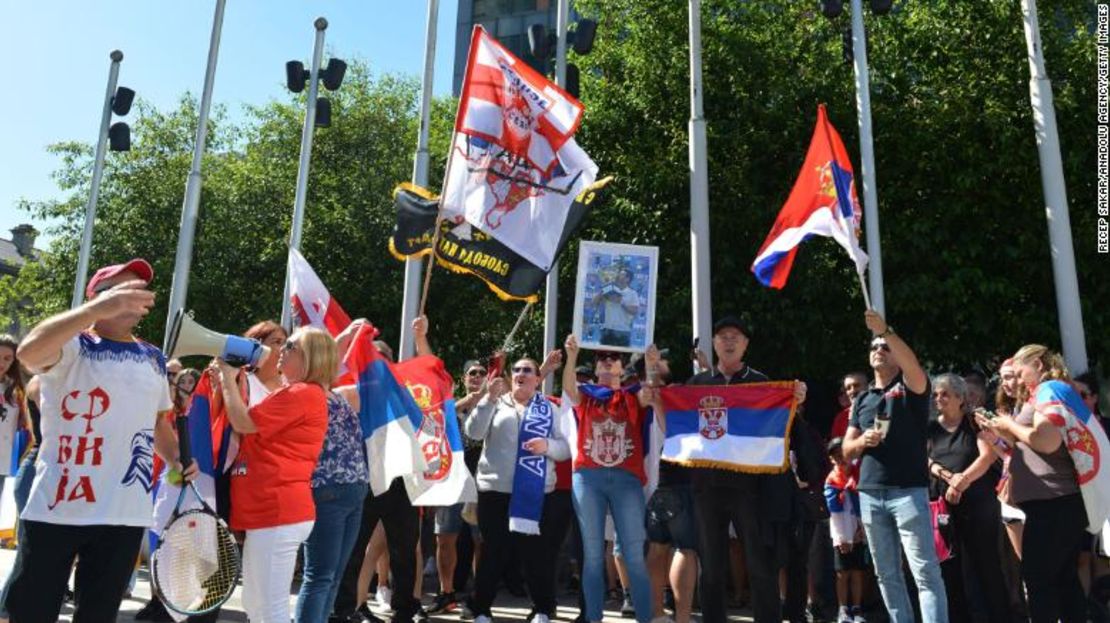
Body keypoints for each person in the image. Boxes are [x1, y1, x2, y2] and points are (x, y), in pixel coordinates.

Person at [5, 258, 194, 622]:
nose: (133, 296)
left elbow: (156, 424)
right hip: (58, 509)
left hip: (124, 514)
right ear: (98, 297)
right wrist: (97, 309)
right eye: (123, 289)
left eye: (138, 289)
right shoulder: (74, 345)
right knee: (31, 612)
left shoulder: (154, 358)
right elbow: (28, 353)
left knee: (98, 616)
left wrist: (176, 459)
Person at [680, 315, 810, 623]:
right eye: (722, 336)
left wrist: (794, 400)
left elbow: (781, 427)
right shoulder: (697, 384)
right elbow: (680, 429)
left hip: (750, 487)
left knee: (759, 561)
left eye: (735, 336)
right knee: (711, 564)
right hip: (707, 485)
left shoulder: (761, 382)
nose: (728, 341)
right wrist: (658, 400)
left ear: (745, 344)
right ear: (713, 343)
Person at [215, 326, 336, 623]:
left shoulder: (301, 393)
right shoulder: (302, 393)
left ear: (310, 358)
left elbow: (243, 423)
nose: (282, 351)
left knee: (267, 609)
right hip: (275, 509)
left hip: (277, 509)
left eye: (291, 346)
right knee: (258, 605)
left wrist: (228, 381)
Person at [841, 310, 947, 623]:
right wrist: (862, 443)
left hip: (908, 492)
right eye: (874, 347)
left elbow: (912, 363)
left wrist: (885, 331)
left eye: (885, 348)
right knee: (886, 574)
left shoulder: (911, 387)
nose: (879, 350)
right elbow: (846, 449)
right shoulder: (861, 400)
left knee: (925, 571)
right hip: (870, 494)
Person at [976, 344, 1092, 623]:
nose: (1014, 379)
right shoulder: (1046, 393)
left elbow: (1046, 440)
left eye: (1019, 372)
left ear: (1038, 365)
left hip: (1055, 503)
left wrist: (1008, 426)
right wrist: (1001, 430)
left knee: (1039, 580)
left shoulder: (1048, 391)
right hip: (1055, 503)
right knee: (1064, 581)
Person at [464, 356, 571, 623]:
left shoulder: (550, 409)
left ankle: (543, 609)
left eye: (528, 370)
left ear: (538, 378)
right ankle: (481, 609)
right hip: (495, 490)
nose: (521, 374)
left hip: (536, 492)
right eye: (517, 370)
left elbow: (566, 448)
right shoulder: (495, 403)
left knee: (536, 553)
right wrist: (487, 399)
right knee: (493, 551)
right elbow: (473, 433)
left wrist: (548, 446)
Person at [562, 338, 656, 623]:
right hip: (588, 479)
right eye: (602, 357)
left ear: (620, 367)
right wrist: (571, 356)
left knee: (635, 556)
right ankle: (592, 619)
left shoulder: (632, 395)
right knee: (591, 557)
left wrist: (650, 366)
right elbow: (567, 388)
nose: (607, 360)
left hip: (627, 480)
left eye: (613, 357)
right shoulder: (585, 394)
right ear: (595, 367)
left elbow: (650, 394)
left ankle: (645, 618)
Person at [294, 321, 373, 623]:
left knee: (334, 576)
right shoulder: (303, 392)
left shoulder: (335, 394)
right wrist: (344, 337)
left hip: (352, 493)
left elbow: (382, 383)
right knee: (320, 576)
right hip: (326, 491)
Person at [926, 374, 1009, 623]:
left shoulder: (974, 422)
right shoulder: (930, 426)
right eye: (936, 394)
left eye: (945, 394)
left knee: (986, 564)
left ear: (960, 398)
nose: (938, 398)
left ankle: (999, 617)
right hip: (943, 505)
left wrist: (962, 481)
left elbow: (987, 457)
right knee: (950, 567)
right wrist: (947, 476)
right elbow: (925, 459)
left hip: (978, 502)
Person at [427, 358, 488, 615]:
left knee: (481, 540)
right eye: (471, 373)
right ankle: (447, 593)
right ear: (464, 379)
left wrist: (484, 398)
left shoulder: (493, 405)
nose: (476, 377)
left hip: (481, 478)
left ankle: (478, 597)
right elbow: (435, 417)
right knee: (445, 537)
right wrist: (467, 401)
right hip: (451, 477)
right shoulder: (452, 404)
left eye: (481, 373)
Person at [824, 438, 865, 623]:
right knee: (842, 573)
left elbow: (862, 505)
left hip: (858, 532)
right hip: (841, 533)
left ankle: (857, 609)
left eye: (843, 456)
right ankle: (843, 609)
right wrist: (842, 537)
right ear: (832, 460)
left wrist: (861, 530)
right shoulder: (831, 481)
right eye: (836, 457)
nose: (841, 460)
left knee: (857, 571)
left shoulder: (858, 476)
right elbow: (834, 513)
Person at [0, 334, 26, 500]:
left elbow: (22, 425)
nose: (2, 363)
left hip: (2, 463)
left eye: (7, 358)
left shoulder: (16, 391)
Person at [592, 267, 639, 348]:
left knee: (622, 359)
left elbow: (635, 311)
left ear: (627, 279)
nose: (618, 275)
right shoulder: (608, 289)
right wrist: (604, 288)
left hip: (623, 332)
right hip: (607, 330)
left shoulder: (632, 293)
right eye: (619, 274)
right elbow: (594, 302)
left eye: (622, 274)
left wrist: (621, 303)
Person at [830, 373, 867, 440]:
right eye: (848, 388)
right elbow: (836, 447)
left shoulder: (879, 410)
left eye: (856, 386)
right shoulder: (841, 417)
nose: (852, 390)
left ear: (867, 387)